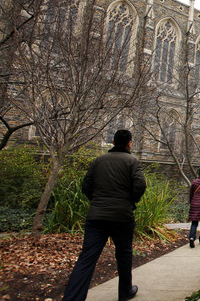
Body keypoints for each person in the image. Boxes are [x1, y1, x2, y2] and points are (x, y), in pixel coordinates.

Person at [62, 129, 146, 301]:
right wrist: (130, 201)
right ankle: (125, 293)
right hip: (122, 216)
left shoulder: (98, 160)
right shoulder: (132, 161)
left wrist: (96, 200)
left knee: (86, 258)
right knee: (124, 254)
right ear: (129, 143)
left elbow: (86, 186)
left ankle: (72, 298)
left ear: (113, 142)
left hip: (96, 216)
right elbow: (140, 185)